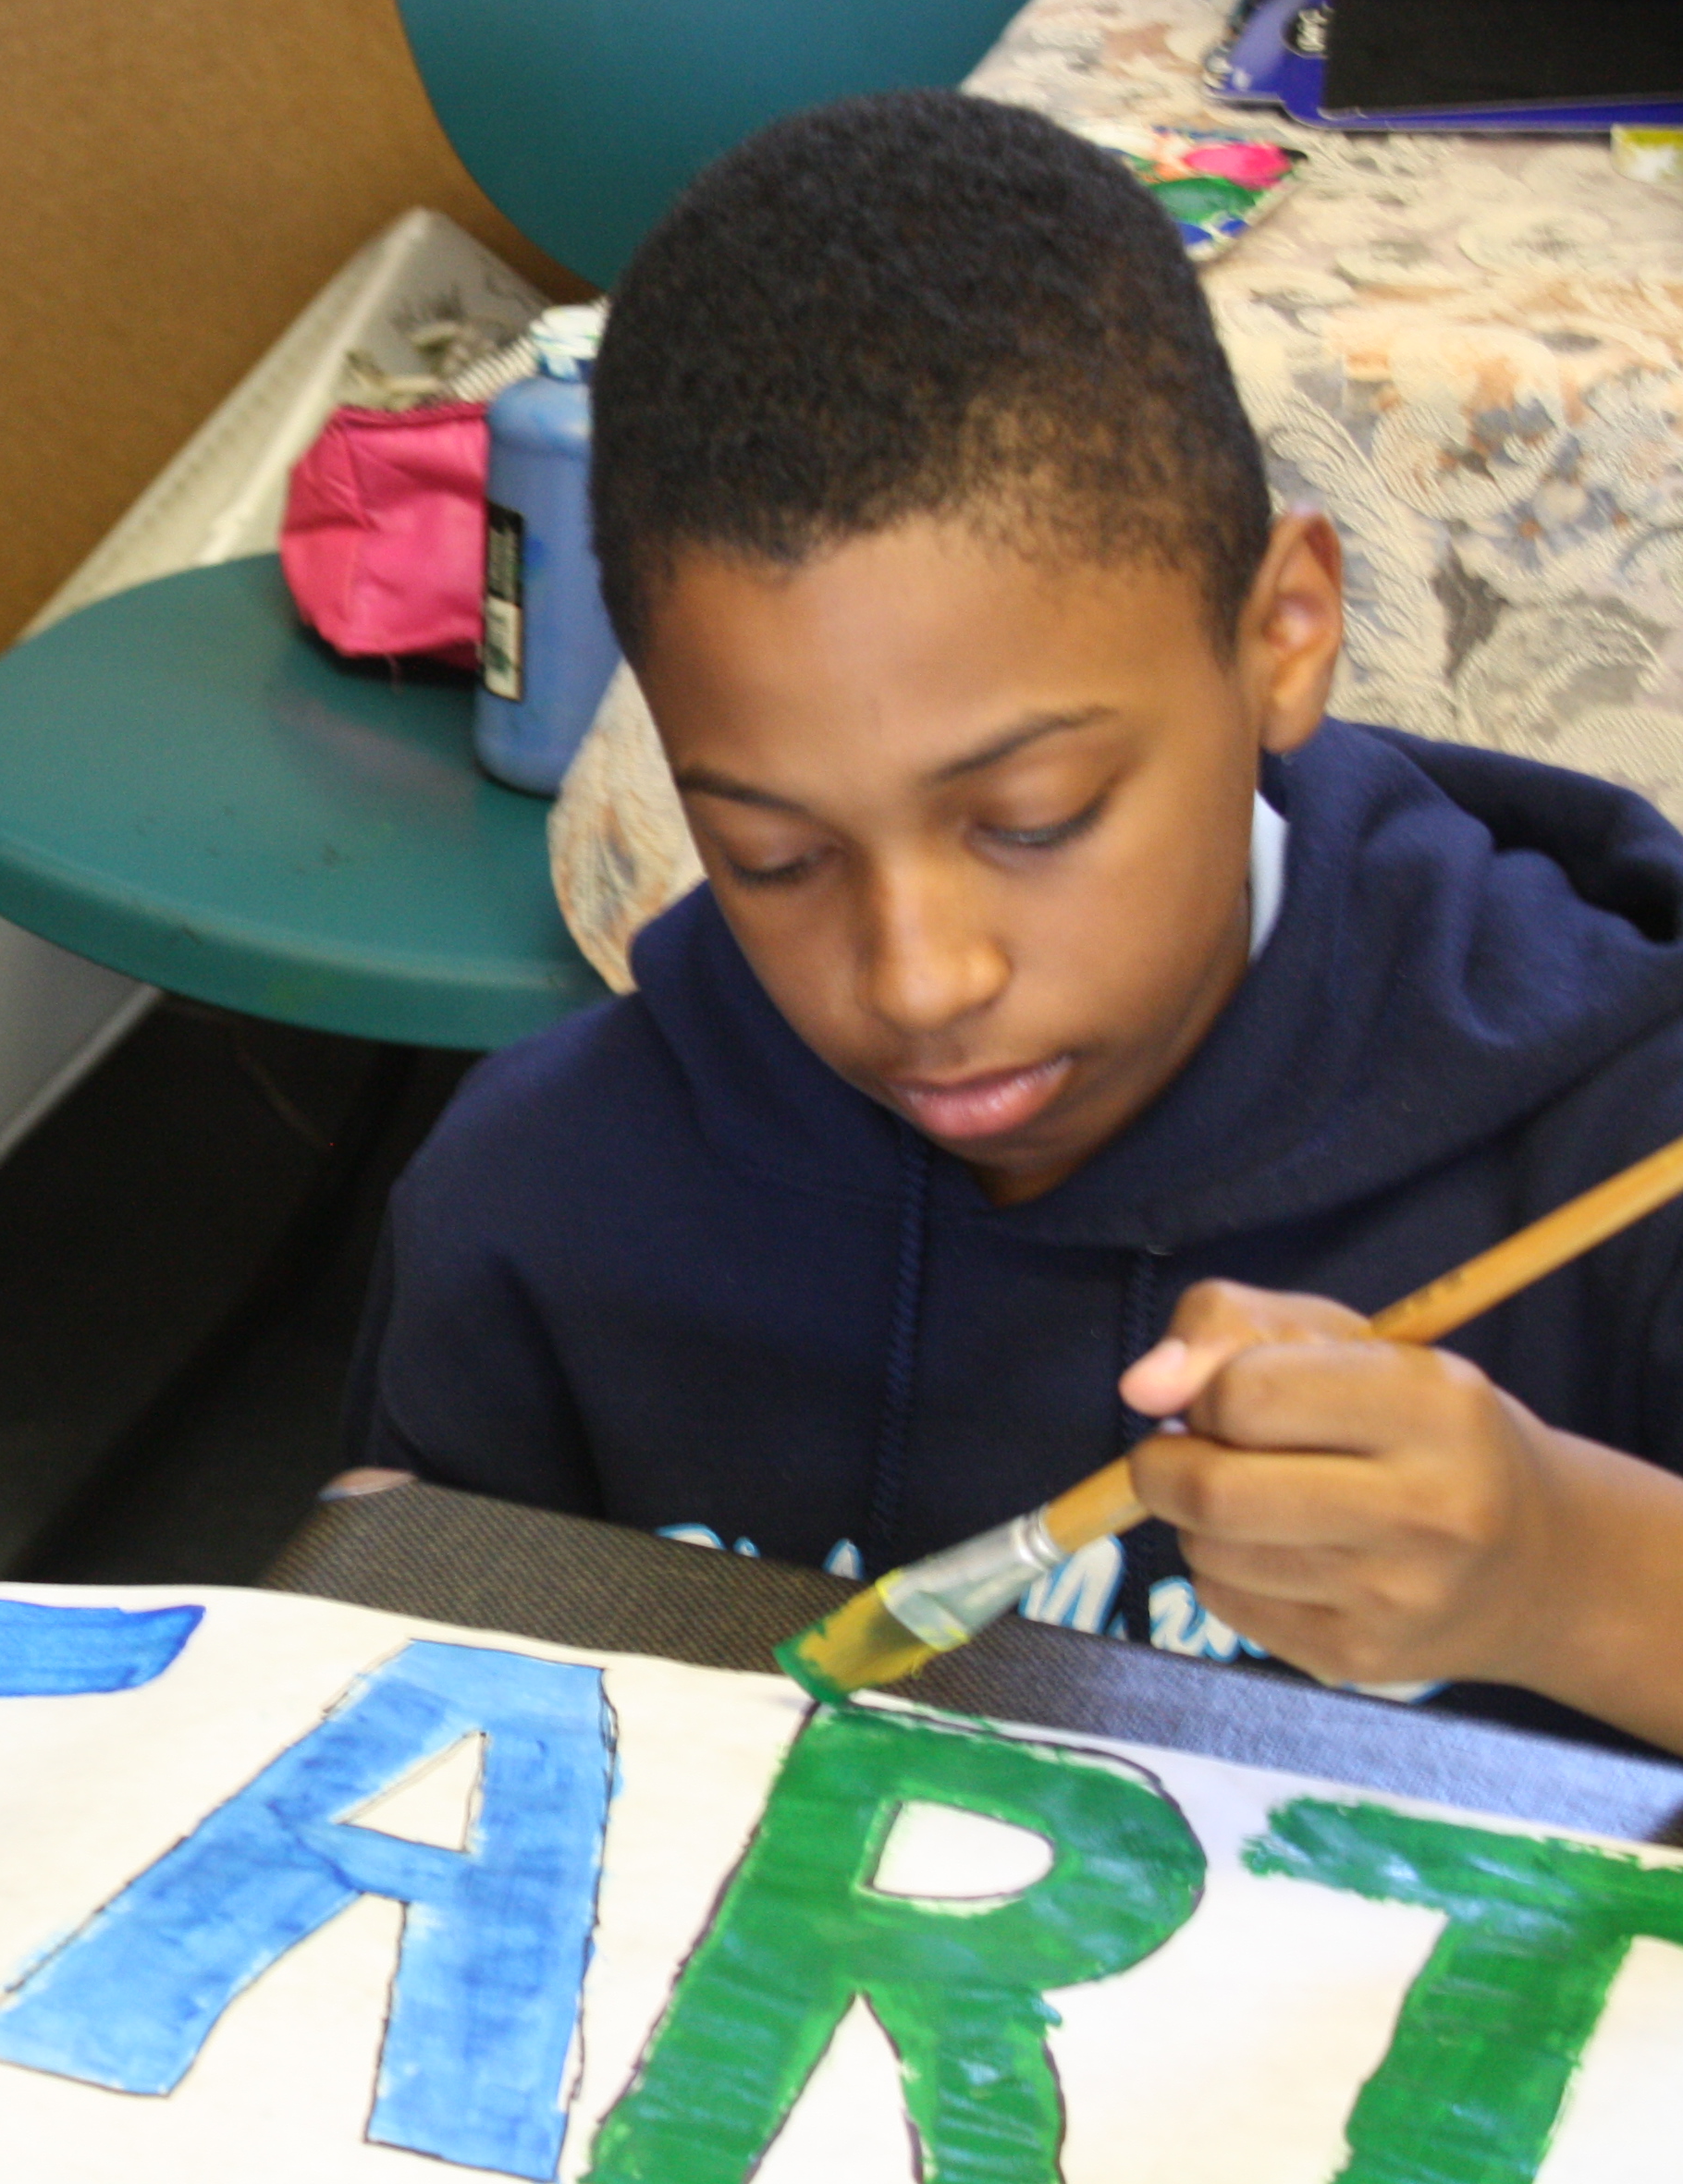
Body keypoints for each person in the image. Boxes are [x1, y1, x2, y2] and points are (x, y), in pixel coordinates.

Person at [348, 89, 1683, 1759]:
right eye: (775, 857)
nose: (921, 981)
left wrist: (1573, 1573)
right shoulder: (544, 1206)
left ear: (1282, 633)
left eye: (1034, 821)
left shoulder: (1626, 1158)